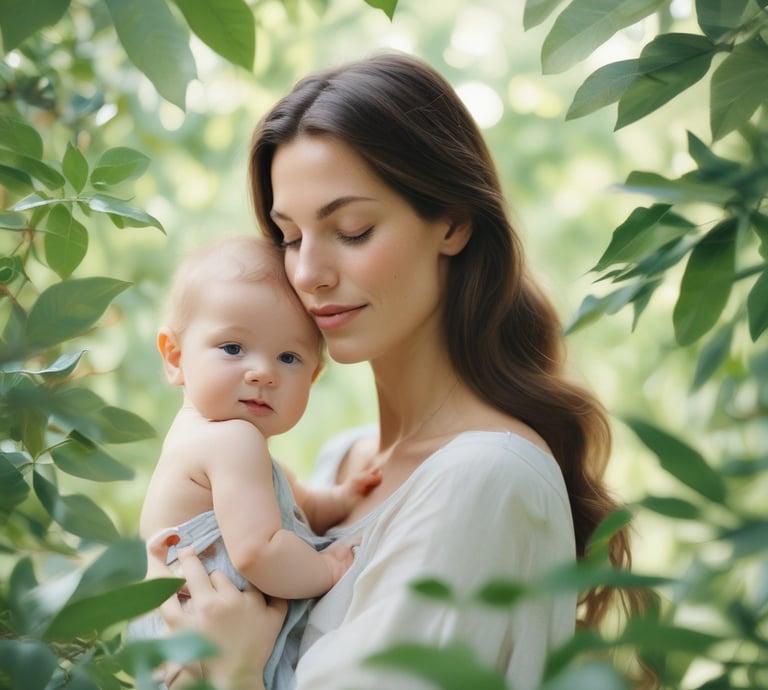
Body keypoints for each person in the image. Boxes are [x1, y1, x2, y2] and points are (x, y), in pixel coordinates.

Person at [156, 53, 652, 690]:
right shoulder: (341, 466)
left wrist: (234, 674)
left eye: (353, 230)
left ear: (452, 221)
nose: (308, 274)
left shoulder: (484, 481)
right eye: (290, 236)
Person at [130, 235, 381, 689]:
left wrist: (339, 499)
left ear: (313, 375)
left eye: (288, 357)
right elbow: (257, 550)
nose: (262, 372)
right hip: (204, 651)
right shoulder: (233, 441)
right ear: (174, 357)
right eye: (232, 348)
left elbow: (292, 507)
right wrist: (327, 571)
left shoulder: (210, 440)